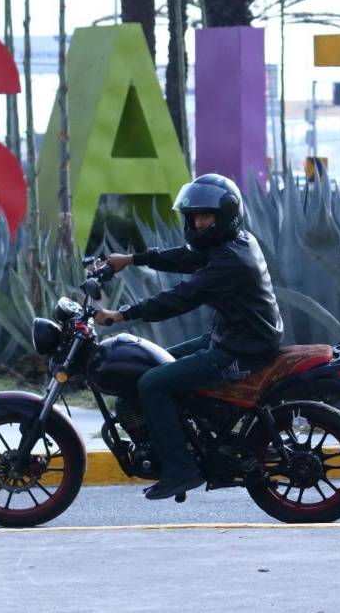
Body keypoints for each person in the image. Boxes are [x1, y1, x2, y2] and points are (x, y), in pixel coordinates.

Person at [95, 174, 284, 500]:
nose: (197, 223)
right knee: (154, 367)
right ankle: (198, 436)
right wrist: (132, 260)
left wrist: (122, 314)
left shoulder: (230, 259)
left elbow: (182, 297)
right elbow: (184, 257)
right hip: (232, 338)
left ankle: (181, 469)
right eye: (194, 217)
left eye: (205, 216)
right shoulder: (230, 243)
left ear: (225, 215)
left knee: (152, 384)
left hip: (242, 351)